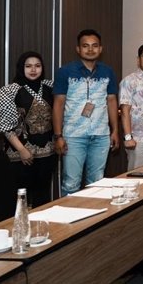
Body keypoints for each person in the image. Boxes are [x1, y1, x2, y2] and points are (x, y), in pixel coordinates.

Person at [53, 29, 119, 196]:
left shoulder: (108, 72)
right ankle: (67, 213)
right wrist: (58, 136)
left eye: (94, 46)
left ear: (100, 49)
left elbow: (112, 101)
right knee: (71, 183)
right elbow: (58, 104)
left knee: (97, 183)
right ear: (78, 49)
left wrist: (115, 131)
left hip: (101, 135)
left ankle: (94, 213)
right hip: (73, 136)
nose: (90, 49)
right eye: (85, 46)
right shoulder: (65, 72)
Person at [0, 52, 56, 207]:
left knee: (43, 197)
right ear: (21, 68)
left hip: (48, 152)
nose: (33, 70)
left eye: (37, 66)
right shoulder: (9, 91)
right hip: (20, 153)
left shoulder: (50, 86)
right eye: (28, 66)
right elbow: (6, 125)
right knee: (21, 198)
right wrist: (22, 150)